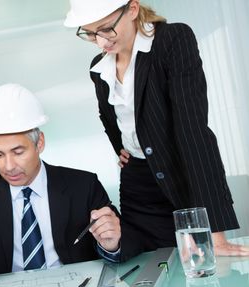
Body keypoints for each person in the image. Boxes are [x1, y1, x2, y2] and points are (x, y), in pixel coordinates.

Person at [63, 0, 249, 258]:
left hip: (182, 174)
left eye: (106, 29)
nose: (101, 42)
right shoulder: (99, 67)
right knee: (152, 266)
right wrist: (124, 147)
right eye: (91, 33)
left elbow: (193, 132)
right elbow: (109, 116)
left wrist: (216, 232)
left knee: (204, 265)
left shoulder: (172, 40)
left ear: (133, 9)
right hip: (138, 186)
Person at [0, 84, 121, 287]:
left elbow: (121, 243)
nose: (8, 166)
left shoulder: (83, 185)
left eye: (18, 152)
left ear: (39, 143)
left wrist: (112, 245)